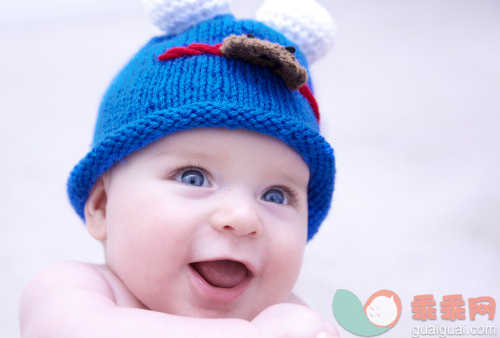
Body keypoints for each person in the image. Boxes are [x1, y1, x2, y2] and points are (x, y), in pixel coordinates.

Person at [20, 0, 339, 336]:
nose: (243, 218)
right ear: (101, 206)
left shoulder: (287, 316)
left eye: (276, 195)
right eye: (194, 177)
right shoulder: (73, 290)